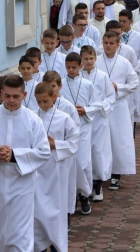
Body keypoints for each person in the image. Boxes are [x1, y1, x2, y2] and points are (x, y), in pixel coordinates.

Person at [0, 75, 51, 251]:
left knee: (19, 233)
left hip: (22, 185)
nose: (11, 100)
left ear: (25, 94)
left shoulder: (33, 120)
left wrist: (14, 155)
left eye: (16, 96)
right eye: (7, 96)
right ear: (1, 93)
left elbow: (43, 151)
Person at [33, 82, 79, 252]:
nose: (42, 105)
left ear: (53, 97)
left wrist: (56, 145)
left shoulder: (64, 117)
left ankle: (56, 245)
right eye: (38, 102)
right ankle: (38, 245)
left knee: (55, 210)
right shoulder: (32, 117)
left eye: (45, 101)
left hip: (56, 170)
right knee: (37, 210)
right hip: (37, 170)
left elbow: (74, 142)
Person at [96, 31, 138, 191]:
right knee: (101, 140)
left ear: (118, 44)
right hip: (100, 106)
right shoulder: (96, 61)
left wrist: (117, 87)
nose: (108, 46)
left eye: (111, 43)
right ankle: (101, 172)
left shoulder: (124, 62)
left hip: (118, 107)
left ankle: (116, 174)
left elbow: (134, 83)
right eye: (105, 42)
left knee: (118, 140)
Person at [60, 53, 101, 215]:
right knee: (69, 164)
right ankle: (71, 196)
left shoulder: (87, 84)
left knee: (83, 162)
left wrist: (86, 110)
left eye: (74, 67)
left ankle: (84, 194)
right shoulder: (61, 84)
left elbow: (96, 104)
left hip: (83, 126)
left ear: (80, 67)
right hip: (66, 129)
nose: (71, 70)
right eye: (68, 67)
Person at [42, 71, 80, 223]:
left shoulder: (67, 108)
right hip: (42, 159)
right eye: (48, 86)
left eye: (53, 86)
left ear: (59, 87)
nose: (51, 89)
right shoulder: (35, 111)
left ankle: (65, 216)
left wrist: (56, 144)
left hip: (62, 157)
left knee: (63, 187)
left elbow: (75, 133)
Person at [80, 45, 115, 202]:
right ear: (81, 60)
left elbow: (110, 97)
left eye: (91, 58)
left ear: (95, 59)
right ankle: (83, 187)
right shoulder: (77, 77)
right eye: (86, 59)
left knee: (98, 152)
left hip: (99, 120)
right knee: (83, 155)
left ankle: (98, 185)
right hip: (81, 120)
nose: (89, 61)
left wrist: (97, 107)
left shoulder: (102, 76)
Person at [118, 10, 140, 127]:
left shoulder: (139, 37)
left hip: (133, 75)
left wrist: (131, 71)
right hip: (120, 76)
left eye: (124, 21)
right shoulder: (115, 37)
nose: (121, 24)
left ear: (131, 21)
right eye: (120, 21)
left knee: (134, 107)